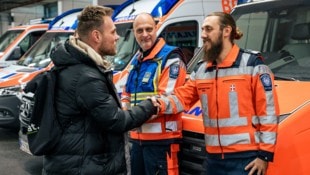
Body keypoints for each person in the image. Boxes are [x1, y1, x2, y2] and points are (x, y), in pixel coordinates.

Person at [152, 12, 279, 175]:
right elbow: (182, 97)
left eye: (208, 29)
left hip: (245, 160)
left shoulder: (252, 65)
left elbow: (268, 112)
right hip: (213, 159)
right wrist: (156, 104)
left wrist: (264, 155)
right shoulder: (203, 69)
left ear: (226, 31)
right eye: (203, 30)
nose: (203, 35)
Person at [43, 6, 158, 175]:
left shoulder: (74, 66)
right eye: (112, 32)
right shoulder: (86, 77)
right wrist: (149, 106)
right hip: (82, 167)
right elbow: (117, 121)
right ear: (97, 36)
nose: (117, 37)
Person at [121, 13, 187, 175]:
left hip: (162, 143)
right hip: (137, 141)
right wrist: (125, 114)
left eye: (149, 29)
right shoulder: (137, 60)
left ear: (156, 28)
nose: (145, 34)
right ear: (134, 33)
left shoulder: (171, 58)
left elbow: (165, 100)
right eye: (140, 30)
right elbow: (126, 95)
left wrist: (131, 119)